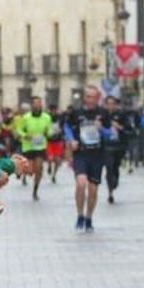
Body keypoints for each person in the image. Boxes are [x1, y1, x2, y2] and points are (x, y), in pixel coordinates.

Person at [64, 85, 108, 232]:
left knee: (93, 189)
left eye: (93, 97)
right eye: (88, 97)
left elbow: (111, 134)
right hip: (81, 154)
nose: (90, 100)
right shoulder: (76, 113)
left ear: (98, 98)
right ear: (84, 98)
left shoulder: (103, 113)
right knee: (81, 183)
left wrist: (102, 129)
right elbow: (67, 127)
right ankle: (80, 215)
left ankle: (89, 217)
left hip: (97, 155)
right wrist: (71, 140)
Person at [17, 96, 53, 200]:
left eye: (39, 103)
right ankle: (24, 172)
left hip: (40, 146)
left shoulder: (47, 117)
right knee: (30, 171)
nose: (37, 105)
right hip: (28, 146)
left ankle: (35, 190)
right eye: (35, 103)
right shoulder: (26, 117)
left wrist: (48, 133)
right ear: (32, 105)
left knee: (39, 168)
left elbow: (49, 130)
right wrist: (25, 135)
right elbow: (19, 130)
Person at [103, 96, 133, 204]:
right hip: (107, 146)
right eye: (108, 103)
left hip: (119, 146)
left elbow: (129, 129)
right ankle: (110, 193)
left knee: (115, 167)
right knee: (109, 167)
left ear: (116, 105)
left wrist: (120, 127)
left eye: (113, 103)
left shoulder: (122, 115)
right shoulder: (102, 115)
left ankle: (114, 182)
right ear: (105, 105)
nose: (111, 106)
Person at [45, 103, 65, 183]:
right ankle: (49, 165)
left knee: (57, 160)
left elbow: (64, 127)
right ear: (50, 110)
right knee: (50, 157)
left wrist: (61, 131)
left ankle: (54, 175)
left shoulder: (60, 118)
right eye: (52, 110)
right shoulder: (47, 117)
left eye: (55, 110)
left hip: (58, 140)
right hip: (49, 141)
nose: (53, 111)